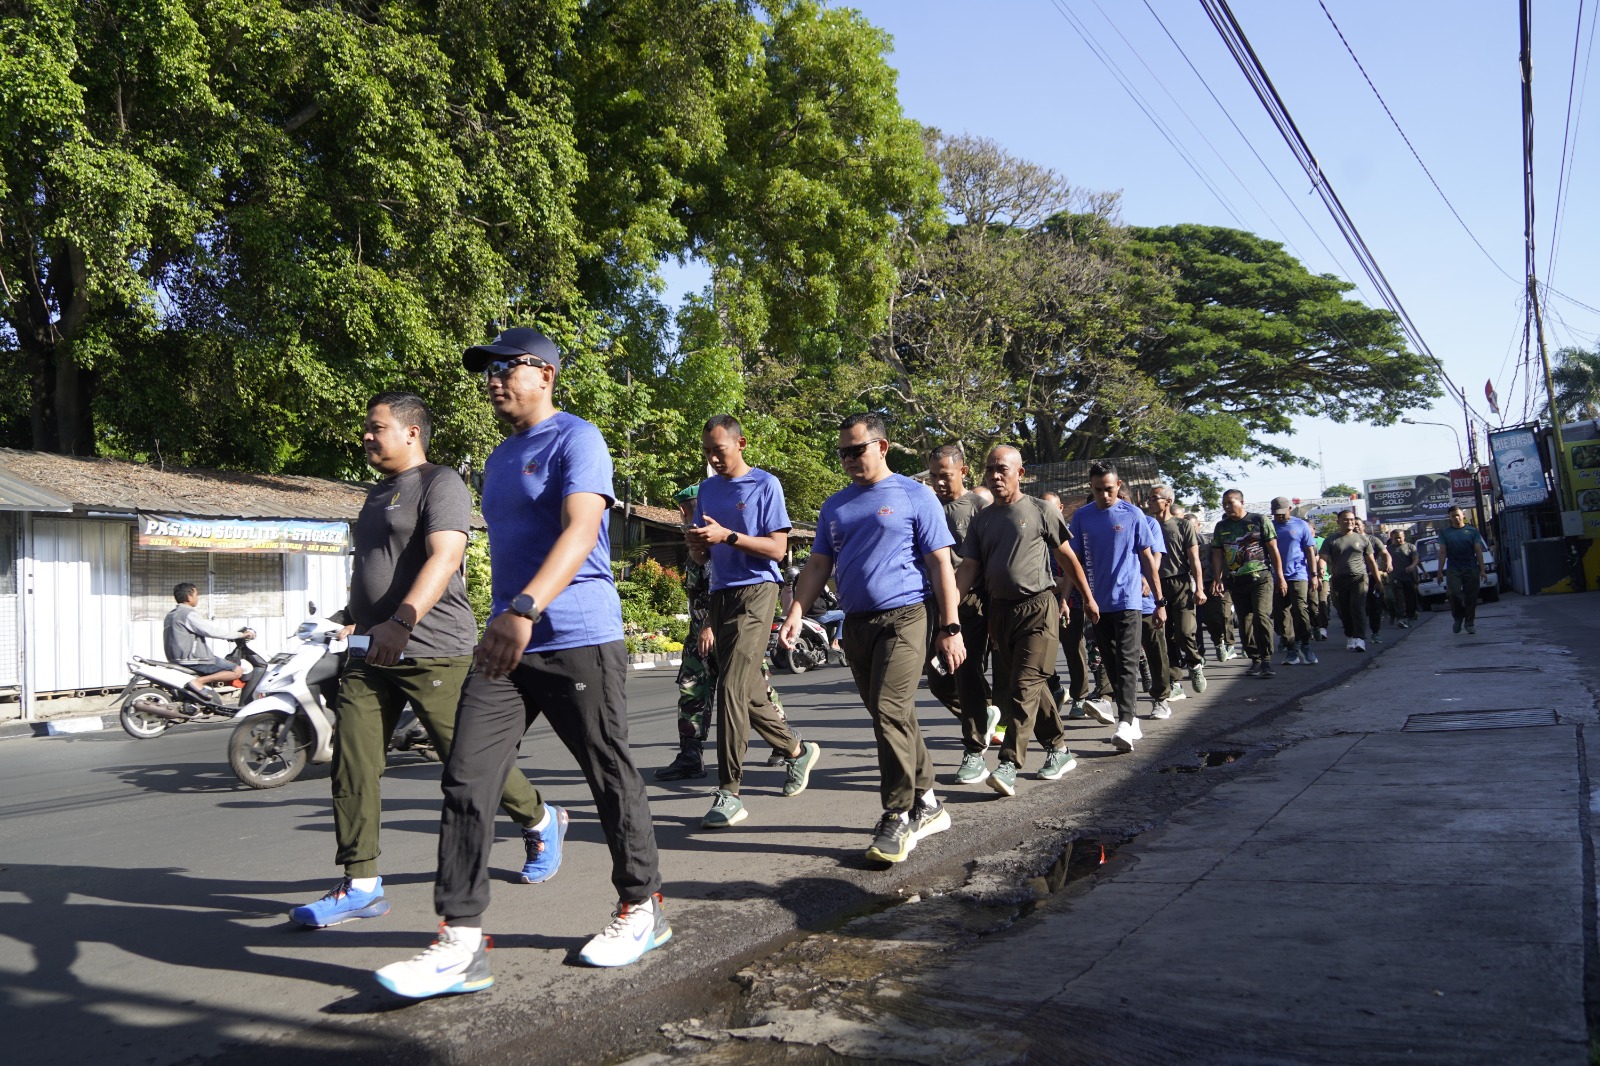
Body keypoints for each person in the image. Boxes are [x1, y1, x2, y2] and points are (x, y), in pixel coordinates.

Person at [374, 328, 668, 998]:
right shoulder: (501, 458)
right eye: (488, 371)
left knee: (608, 772)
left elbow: (581, 530)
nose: (493, 380)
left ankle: (641, 906)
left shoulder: (577, 438)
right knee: (467, 777)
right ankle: (460, 941)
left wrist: (526, 606)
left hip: (574, 634)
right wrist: (504, 617)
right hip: (508, 640)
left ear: (546, 373)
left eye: (507, 367)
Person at [291, 392, 548, 930]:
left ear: (411, 432)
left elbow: (447, 556)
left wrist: (401, 621)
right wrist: (352, 615)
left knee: (470, 760)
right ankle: (361, 883)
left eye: (375, 426)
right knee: (353, 761)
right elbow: (376, 570)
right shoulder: (373, 493)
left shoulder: (441, 482)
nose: (366, 435)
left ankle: (542, 821)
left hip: (433, 646)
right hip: (369, 648)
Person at [782, 415, 965, 863]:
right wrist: (796, 611)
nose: (847, 459)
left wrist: (951, 626)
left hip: (906, 616)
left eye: (856, 449)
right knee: (895, 717)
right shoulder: (836, 506)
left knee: (889, 710)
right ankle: (930, 803)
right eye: (842, 452)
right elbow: (818, 565)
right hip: (858, 624)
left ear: (882, 447)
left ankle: (898, 814)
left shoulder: (914, 495)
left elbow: (941, 564)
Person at [690, 415, 818, 830]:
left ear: (740, 443)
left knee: (729, 685)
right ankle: (797, 751)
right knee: (745, 691)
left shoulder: (766, 484)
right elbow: (703, 557)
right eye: (707, 452)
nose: (713, 459)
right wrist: (697, 547)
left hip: (758, 591)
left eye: (719, 451)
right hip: (721, 593)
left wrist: (728, 536)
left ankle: (729, 792)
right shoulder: (707, 489)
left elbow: (778, 549)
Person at [955, 446, 1095, 790]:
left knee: (1022, 685)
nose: (995, 475)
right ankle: (1058, 749)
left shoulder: (1040, 510)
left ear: (1021, 472)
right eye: (990, 469)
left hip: (1038, 607)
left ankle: (1008, 764)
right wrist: (949, 613)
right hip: (1000, 612)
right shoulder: (982, 519)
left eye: (1002, 468)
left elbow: (1067, 558)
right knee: (1031, 684)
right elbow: (970, 568)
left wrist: (1088, 598)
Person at [656, 484, 792, 781]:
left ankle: (785, 745)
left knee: (752, 691)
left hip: (726, 627)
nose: (684, 515)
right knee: (692, 690)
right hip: (700, 631)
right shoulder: (697, 541)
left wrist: (709, 627)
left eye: (688, 508)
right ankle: (690, 755)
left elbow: (720, 585)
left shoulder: (720, 536)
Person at [1072, 462, 1161, 753]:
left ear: (1118, 485)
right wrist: (1074, 597)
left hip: (1128, 601)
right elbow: (1072, 561)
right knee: (1110, 662)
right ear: (1091, 487)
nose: (1104, 494)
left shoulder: (1133, 515)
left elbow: (1147, 559)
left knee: (1127, 660)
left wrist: (1159, 601)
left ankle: (1124, 722)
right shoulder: (1082, 517)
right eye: (1098, 489)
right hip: (1097, 603)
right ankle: (1131, 716)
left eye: (1109, 489)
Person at [926, 444, 1000, 782]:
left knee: (965, 674)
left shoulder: (980, 507)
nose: (940, 483)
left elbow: (993, 557)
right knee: (938, 681)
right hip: (934, 605)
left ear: (963, 472)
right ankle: (985, 716)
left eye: (946, 476)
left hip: (971, 604)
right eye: (934, 476)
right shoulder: (927, 507)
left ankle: (974, 750)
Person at [1210, 490, 1287, 679]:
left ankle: (1267, 659)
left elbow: (1273, 549)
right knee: (1245, 621)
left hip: (1261, 577)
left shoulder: (1259, 520)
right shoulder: (1221, 526)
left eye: (1230, 502)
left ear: (1242, 502)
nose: (1227, 507)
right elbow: (1218, 553)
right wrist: (1217, 578)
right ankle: (1255, 659)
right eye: (1224, 504)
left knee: (1261, 616)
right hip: (1237, 580)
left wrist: (1281, 577)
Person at [1146, 485, 1207, 700]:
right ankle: (1174, 680)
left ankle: (1194, 662)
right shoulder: (1147, 524)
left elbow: (1194, 559)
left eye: (1154, 498)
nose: (1150, 502)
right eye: (1149, 498)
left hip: (1180, 583)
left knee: (1183, 631)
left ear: (1168, 501)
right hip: (1156, 586)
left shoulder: (1182, 525)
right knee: (1164, 635)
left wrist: (1199, 587)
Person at [1042, 492, 1095, 720]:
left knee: (1074, 650)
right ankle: (1055, 686)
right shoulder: (1038, 534)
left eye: (1051, 507)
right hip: (1042, 602)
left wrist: (1062, 592)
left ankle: (1080, 697)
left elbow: (1073, 571)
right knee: (1041, 651)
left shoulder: (1072, 535)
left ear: (1061, 508)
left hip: (1069, 601)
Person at [163, 583, 255, 697]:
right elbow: (210, 631)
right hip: (195, 659)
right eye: (196, 595)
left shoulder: (171, 615)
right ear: (188, 597)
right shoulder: (187, 614)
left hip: (175, 658)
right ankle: (199, 682)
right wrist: (240, 635)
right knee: (237, 671)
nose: (198, 598)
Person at [1320, 510, 1381, 652]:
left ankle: (1360, 638)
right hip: (1339, 579)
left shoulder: (1363, 539)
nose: (1350, 522)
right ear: (1339, 522)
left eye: (1352, 520)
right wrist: (1320, 569)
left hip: (1359, 577)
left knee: (1358, 607)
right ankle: (1350, 636)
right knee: (1344, 610)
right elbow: (1322, 558)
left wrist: (1378, 581)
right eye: (1346, 519)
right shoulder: (1331, 540)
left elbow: (1371, 562)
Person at [1269, 497, 1320, 666]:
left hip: (1298, 575)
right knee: (1282, 614)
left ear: (1290, 508)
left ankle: (1305, 644)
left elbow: (1309, 551)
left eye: (1282, 513)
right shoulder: (1269, 527)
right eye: (1276, 514)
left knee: (1300, 609)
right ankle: (1291, 648)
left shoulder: (1300, 525)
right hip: (1277, 577)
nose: (1279, 517)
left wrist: (1313, 574)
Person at [1437, 505, 1489, 634]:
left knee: (1471, 597)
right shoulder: (1445, 533)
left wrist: (1482, 570)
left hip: (1470, 567)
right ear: (1449, 517)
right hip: (1454, 568)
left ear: (1463, 515)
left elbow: (1478, 551)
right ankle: (1458, 618)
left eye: (1458, 514)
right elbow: (1443, 553)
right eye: (1453, 515)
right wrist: (1439, 572)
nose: (1456, 517)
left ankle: (1469, 623)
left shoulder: (1472, 531)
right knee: (1453, 594)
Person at [1356, 517, 1392, 643]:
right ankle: (1356, 636)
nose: (1355, 526)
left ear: (1363, 526)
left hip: (1372, 576)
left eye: (1358, 524)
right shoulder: (1347, 541)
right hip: (1355, 578)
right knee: (1357, 607)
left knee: (1374, 606)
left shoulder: (1372, 540)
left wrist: (1388, 563)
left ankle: (1375, 632)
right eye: (1353, 524)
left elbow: (1385, 553)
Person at [1387, 528, 1421, 627]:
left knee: (1411, 598)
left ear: (1404, 537)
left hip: (1409, 577)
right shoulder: (1389, 549)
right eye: (1395, 538)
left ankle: (1410, 616)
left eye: (1400, 538)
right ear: (1391, 538)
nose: (1398, 540)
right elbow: (1384, 561)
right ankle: (1400, 617)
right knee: (1399, 597)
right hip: (1395, 577)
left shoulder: (1411, 547)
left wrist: (1412, 566)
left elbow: (1416, 559)